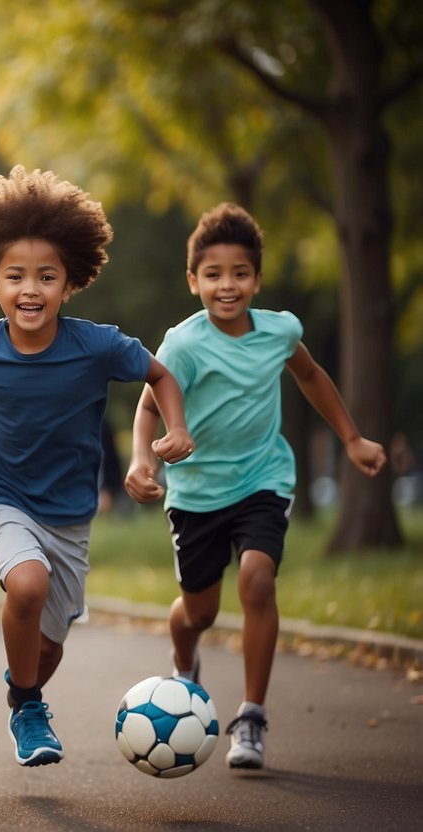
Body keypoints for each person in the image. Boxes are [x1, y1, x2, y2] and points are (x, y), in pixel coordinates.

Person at [0, 165, 193, 769]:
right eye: (15, 277)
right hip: (1, 495)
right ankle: (31, 710)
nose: (30, 289)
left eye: (46, 277)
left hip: (71, 512)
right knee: (25, 585)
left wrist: (175, 429)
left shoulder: (98, 345)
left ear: (70, 283)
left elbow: (160, 374)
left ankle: (22, 690)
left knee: (48, 649)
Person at [125, 202, 386, 770]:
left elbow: (312, 376)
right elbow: (147, 405)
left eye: (240, 273)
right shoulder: (183, 345)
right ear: (193, 280)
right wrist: (142, 459)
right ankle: (184, 657)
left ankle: (252, 716)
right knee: (199, 612)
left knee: (257, 578)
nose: (227, 285)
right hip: (196, 495)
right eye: (213, 274)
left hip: (263, 478)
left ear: (257, 279)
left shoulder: (279, 330)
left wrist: (352, 439)